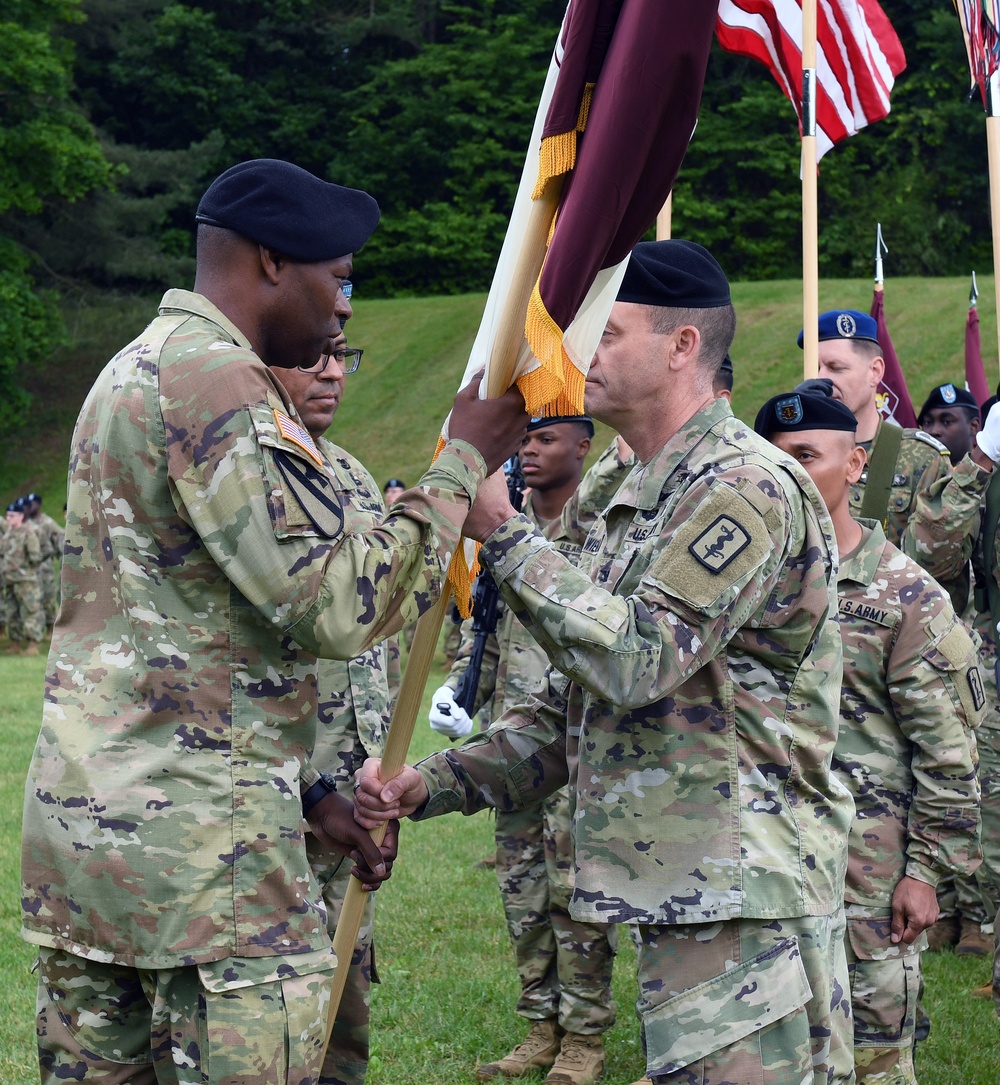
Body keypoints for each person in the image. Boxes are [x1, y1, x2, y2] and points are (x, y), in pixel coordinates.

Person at [20, 158, 528, 1084]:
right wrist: (461, 463)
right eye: (335, 278)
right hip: (206, 878)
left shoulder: (131, 369)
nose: (342, 310)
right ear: (267, 263)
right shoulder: (219, 384)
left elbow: (184, 644)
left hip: (96, 850)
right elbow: (336, 603)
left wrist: (307, 801)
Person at [357, 240, 855, 1085]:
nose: (579, 353)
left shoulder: (744, 485)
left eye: (609, 333)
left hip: (748, 895)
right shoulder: (629, 497)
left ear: (682, 345)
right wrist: (432, 783)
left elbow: (637, 661)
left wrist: (506, 535)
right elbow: (571, 710)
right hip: (683, 888)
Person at [756, 387, 984, 1083]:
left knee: (876, 1060)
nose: (786, 473)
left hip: (869, 877)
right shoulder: (748, 582)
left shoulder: (905, 593)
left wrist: (925, 871)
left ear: (856, 463)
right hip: (767, 867)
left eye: (805, 456)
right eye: (772, 458)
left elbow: (949, 750)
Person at [430, 416, 618, 1085]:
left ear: (583, 447)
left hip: (571, 749)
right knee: (523, 893)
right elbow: (481, 628)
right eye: (524, 439)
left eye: (546, 437)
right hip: (510, 745)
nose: (530, 449)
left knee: (576, 895)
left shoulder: (596, 539)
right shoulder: (502, 533)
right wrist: (459, 687)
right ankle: (541, 1023)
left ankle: (584, 1038)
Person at [268, 335, 396, 1085]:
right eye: (311, 354)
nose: (331, 371)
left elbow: (372, 640)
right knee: (277, 1006)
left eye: (344, 354)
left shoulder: (351, 476)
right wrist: (313, 790)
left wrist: (381, 775)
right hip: (279, 791)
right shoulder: (249, 476)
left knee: (345, 1000)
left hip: (355, 787)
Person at [910, 383, 997, 957]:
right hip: (989, 648)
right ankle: (979, 916)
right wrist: (984, 459)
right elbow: (931, 553)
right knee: (979, 785)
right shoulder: (982, 476)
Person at [3, 496, 44, 655]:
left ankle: (33, 644)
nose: (9, 518)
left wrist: (26, 571)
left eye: (12, 516)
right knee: (12, 613)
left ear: (20, 516)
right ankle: (16, 642)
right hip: (10, 580)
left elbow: (35, 557)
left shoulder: (28, 533)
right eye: (7, 516)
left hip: (25, 580)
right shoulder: (8, 534)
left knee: (30, 611)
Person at [24, 492, 64, 629]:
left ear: (39, 505)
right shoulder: (26, 522)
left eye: (33, 504)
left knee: (48, 597)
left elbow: (60, 536)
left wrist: (56, 552)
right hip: (30, 567)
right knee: (34, 598)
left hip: (45, 566)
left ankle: (50, 627)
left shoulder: (47, 522)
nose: (31, 507)